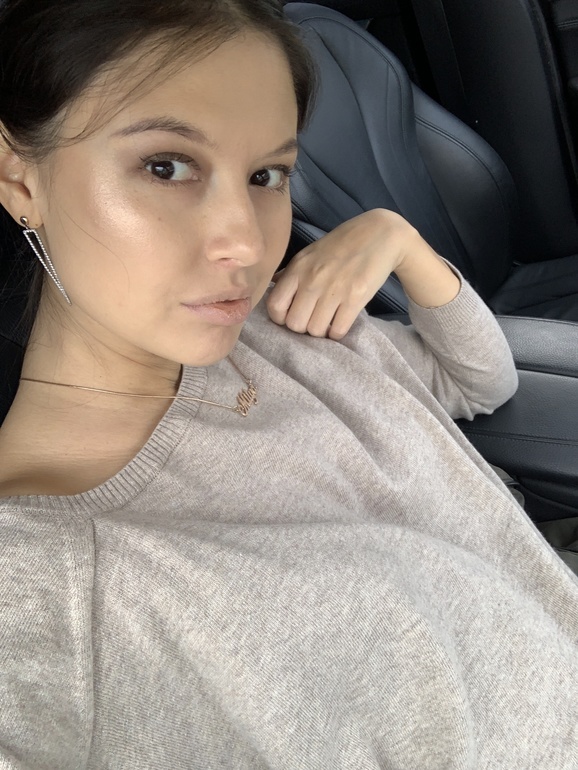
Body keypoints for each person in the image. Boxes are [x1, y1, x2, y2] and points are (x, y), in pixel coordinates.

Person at [0, 1, 576, 768]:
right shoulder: (48, 594)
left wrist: (398, 238)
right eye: (166, 166)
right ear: (19, 176)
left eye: (267, 175)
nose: (246, 242)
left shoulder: (286, 326)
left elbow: (479, 382)